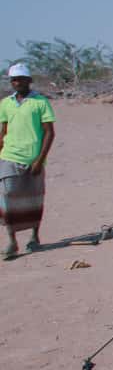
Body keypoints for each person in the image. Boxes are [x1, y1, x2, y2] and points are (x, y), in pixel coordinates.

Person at [0, 64, 56, 260]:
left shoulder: (40, 102)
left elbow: (49, 132)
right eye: (14, 80)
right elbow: (4, 130)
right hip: (9, 156)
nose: (18, 83)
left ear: (28, 80)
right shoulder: (6, 103)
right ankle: (11, 241)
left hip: (33, 158)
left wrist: (40, 160)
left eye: (21, 79)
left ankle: (34, 236)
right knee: (8, 198)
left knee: (34, 197)